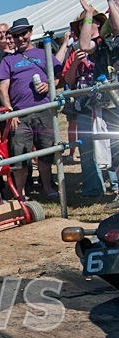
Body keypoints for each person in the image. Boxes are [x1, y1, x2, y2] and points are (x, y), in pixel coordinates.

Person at [0, 17, 62, 199]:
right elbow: (3, 89)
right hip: (20, 114)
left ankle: (48, 188)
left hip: (44, 110)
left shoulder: (44, 54)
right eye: (16, 35)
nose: (20, 38)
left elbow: (60, 78)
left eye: (23, 34)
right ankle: (20, 194)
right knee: (20, 157)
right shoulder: (8, 61)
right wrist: (10, 112)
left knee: (46, 151)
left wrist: (50, 84)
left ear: (30, 32)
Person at [77, 0, 119, 202]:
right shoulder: (104, 43)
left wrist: (112, 3)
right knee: (116, 153)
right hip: (109, 104)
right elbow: (84, 45)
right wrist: (88, 13)